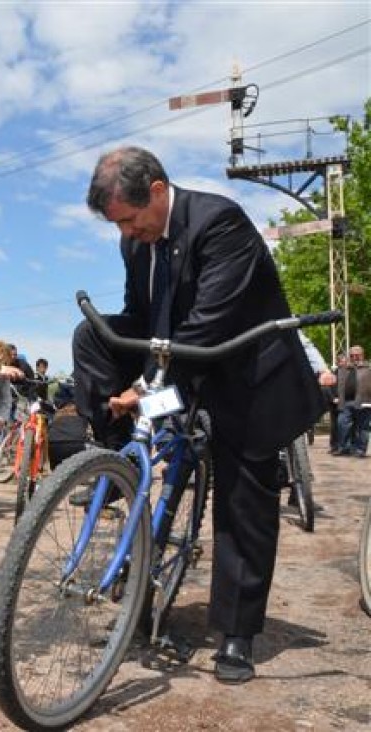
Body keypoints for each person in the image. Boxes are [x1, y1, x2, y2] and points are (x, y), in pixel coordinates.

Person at [72, 146, 324, 684]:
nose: (127, 232)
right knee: (91, 333)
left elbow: (210, 322)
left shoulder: (219, 221)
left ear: (158, 192)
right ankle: (119, 456)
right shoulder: (134, 241)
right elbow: (143, 316)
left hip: (244, 372)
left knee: (242, 500)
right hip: (182, 361)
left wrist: (145, 385)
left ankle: (237, 632)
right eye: (118, 224)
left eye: (131, 219)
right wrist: (132, 386)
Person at [335, 344, 370, 457]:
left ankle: (360, 450)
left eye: (357, 355)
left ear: (362, 355)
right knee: (342, 424)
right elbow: (338, 385)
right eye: (352, 355)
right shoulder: (344, 369)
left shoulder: (368, 368)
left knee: (362, 427)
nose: (354, 357)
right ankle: (344, 448)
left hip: (364, 402)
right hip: (346, 402)